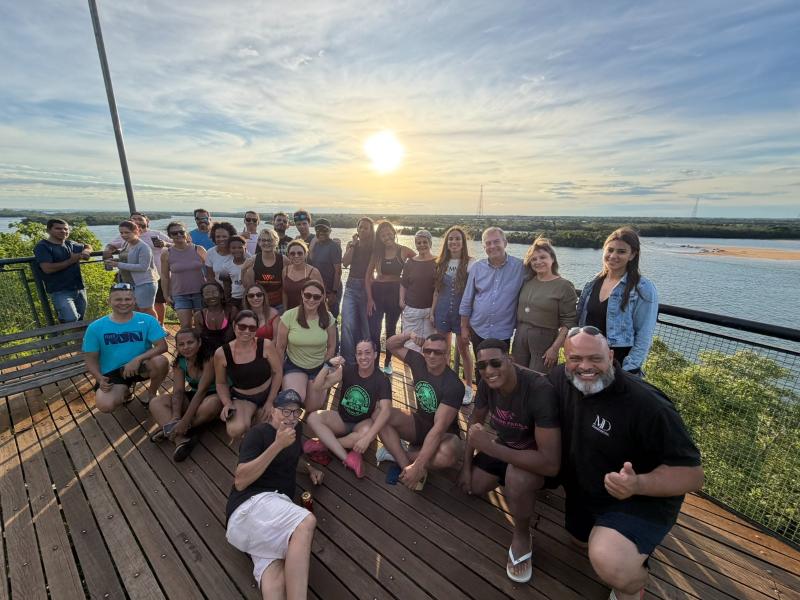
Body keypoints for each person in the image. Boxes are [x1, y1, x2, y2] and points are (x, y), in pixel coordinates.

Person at [549, 327, 703, 600]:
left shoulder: (647, 404)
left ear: (610, 356)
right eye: (576, 358)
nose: (585, 367)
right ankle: (619, 544)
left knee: (611, 561)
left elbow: (693, 475)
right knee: (579, 541)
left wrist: (638, 483)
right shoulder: (562, 378)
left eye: (595, 358)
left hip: (641, 498)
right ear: (566, 357)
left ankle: (633, 586)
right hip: (590, 491)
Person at [459, 339, 561, 583]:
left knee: (516, 477)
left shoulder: (538, 390)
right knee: (474, 486)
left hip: (537, 459)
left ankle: (523, 535)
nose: (489, 371)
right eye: (482, 366)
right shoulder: (487, 384)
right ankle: (517, 490)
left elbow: (551, 463)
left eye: (496, 363)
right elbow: (475, 421)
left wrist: (489, 448)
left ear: (511, 359)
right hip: (506, 448)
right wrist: (466, 466)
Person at [226, 389, 322, 600]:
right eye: (285, 411)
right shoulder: (258, 433)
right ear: (273, 411)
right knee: (305, 523)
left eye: (296, 413)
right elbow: (240, 481)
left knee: (276, 576)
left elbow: (293, 459)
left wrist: (310, 469)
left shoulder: (297, 431)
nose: (291, 418)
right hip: (251, 504)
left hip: (255, 527)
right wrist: (277, 444)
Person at [378, 332, 464, 490]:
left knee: (449, 454)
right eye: (427, 350)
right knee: (380, 415)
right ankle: (405, 465)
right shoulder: (418, 360)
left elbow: (438, 429)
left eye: (438, 352)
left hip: (445, 434)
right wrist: (409, 335)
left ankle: (394, 454)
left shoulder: (454, 385)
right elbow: (391, 345)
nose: (431, 355)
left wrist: (418, 465)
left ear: (447, 355)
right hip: (420, 423)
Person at [576, 227, 658, 374]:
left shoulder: (642, 288)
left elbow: (644, 334)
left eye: (621, 251)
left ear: (632, 255)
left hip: (617, 362)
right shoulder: (593, 283)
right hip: (586, 358)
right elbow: (581, 320)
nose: (613, 256)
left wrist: (629, 369)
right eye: (610, 250)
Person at [305, 341, 392, 478]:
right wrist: (327, 365)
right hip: (341, 419)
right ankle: (347, 457)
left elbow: (386, 410)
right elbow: (317, 386)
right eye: (359, 353)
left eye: (368, 353)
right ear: (356, 356)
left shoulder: (382, 379)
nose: (363, 357)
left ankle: (324, 444)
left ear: (375, 355)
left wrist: (368, 438)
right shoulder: (347, 370)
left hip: (362, 423)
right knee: (312, 418)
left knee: (365, 434)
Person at [82, 283, 169, 412]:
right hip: (113, 371)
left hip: (141, 366)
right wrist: (99, 378)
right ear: (109, 301)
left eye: (127, 299)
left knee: (161, 361)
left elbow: (162, 346)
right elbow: (90, 359)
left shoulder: (147, 320)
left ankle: (152, 393)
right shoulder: (96, 327)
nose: (123, 303)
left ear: (134, 301)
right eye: (118, 299)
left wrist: (137, 359)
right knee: (105, 405)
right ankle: (125, 391)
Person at [460, 227, 524, 383]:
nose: (492, 246)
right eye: (488, 243)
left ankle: (497, 403)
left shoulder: (521, 267)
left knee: (500, 368)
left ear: (505, 243)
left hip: (503, 330)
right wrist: (464, 327)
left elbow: (543, 276)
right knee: (481, 367)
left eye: (496, 241)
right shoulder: (477, 267)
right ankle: (481, 400)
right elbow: (468, 298)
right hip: (478, 328)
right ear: (484, 247)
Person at [148, 328, 222, 461]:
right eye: (181, 344)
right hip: (194, 398)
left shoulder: (209, 358)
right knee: (155, 402)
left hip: (214, 396)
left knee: (212, 404)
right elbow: (178, 391)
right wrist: (176, 416)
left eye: (190, 342)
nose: (186, 347)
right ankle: (180, 439)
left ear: (199, 342)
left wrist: (185, 421)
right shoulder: (180, 362)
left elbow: (202, 391)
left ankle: (175, 430)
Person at [512, 237, 577, 374]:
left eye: (543, 257)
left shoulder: (564, 286)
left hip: (544, 339)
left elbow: (569, 322)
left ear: (552, 259)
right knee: (517, 375)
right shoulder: (527, 281)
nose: (538, 262)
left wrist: (555, 348)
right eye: (534, 259)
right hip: (520, 335)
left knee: (539, 380)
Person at [215, 310, 283, 439]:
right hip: (243, 398)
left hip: (268, 392)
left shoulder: (265, 345)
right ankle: (253, 415)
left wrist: (270, 401)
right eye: (242, 326)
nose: (247, 331)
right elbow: (220, 382)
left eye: (252, 328)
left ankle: (257, 416)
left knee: (275, 427)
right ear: (234, 325)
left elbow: (277, 372)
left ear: (257, 329)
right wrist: (227, 403)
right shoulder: (222, 353)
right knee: (235, 430)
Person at [274, 280, 337, 413]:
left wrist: (325, 367)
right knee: (295, 400)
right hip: (295, 365)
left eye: (316, 297)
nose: (311, 299)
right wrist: (278, 372)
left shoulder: (328, 317)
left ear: (322, 298)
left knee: (311, 407)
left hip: (319, 366)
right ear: (302, 294)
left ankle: (311, 387)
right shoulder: (289, 316)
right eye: (308, 295)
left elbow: (332, 346)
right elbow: (280, 347)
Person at [430, 225, 476, 403]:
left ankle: (468, 387)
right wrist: (432, 312)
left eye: (457, 238)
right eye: (451, 239)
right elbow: (436, 291)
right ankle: (446, 383)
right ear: (446, 243)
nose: (454, 242)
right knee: (443, 350)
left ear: (463, 242)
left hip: (461, 314)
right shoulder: (440, 262)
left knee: (464, 349)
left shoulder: (471, 263)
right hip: (442, 311)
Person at [104, 212, 171, 324]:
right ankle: (141, 329)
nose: (124, 235)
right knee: (136, 309)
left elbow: (143, 267)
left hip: (146, 281)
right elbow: (122, 254)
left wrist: (118, 265)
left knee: (147, 309)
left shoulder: (143, 246)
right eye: (122, 233)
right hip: (132, 281)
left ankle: (156, 329)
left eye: (127, 232)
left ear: (136, 231)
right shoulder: (126, 243)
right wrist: (113, 257)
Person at [366, 221, 415, 375]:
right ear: (379, 237)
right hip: (377, 293)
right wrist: (369, 299)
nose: (386, 237)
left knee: (391, 330)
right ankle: (374, 363)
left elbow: (420, 261)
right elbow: (368, 277)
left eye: (388, 233)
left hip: (395, 294)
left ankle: (388, 361)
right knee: (374, 330)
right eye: (382, 235)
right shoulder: (377, 253)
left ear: (394, 233)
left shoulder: (404, 251)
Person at [33, 218, 92, 323]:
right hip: (59, 291)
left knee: (80, 320)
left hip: (79, 288)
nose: (63, 231)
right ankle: (64, 332)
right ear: (48, 230)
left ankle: (77, 339)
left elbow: (87, 245)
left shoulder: (70, 244)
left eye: (66, 229)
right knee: (71, 319)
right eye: (58, 228)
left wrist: (86, 251)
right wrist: (71, 260)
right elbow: (47, 269)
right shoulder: (42, 247)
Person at [340, 217, 375, 365]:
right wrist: (353, 245)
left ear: (371, 230)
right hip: (351, 287)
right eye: (360, 227)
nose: (362, 230)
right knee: (347, 324)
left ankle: (366, 361)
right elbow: (345, 262)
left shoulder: (374, 247)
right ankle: (348, 363)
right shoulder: (352, 244)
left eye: (366, 228)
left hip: (368, 288)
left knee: (365, 327)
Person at [161, 221, 207, 328]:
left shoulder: (198, 249)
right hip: (180, 294)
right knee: (185, 326)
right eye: (174, 233)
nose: (179, 235)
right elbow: (164, 276)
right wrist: (166, 295)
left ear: (186, 233)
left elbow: (210, 270)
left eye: (181, 232)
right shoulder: (166, 254)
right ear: (169, 236)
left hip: (200, 293)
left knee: (201, 325)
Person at [400, 230, 437, 352]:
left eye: (425, 242)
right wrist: (401, 301)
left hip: (430, 312)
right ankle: (411, 371)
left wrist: (433, 310)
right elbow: (404, 284)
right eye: (418, 242)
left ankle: (426, 371)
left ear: (430, 243)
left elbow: (438, 289)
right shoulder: (410, 263)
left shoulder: (438, 262)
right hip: (412, 310)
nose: (422, 245)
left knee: (429, 345)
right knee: (410, 345)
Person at [242, 228, 284, 313]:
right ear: (259, 242)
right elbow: (248, 286)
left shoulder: (283, 260)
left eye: (270, 240)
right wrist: (243, 270)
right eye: (263, 240)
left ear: (276, 242)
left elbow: (286, 286)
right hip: (259, 303)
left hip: (279, 304)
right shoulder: (252, 261)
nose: (266, 243)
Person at [308, 218, 342, 319]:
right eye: (318, 230)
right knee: (317, 319)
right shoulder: (315, 245)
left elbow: (338, 271)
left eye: (324, 230)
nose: (321, 232)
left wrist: (334, 292)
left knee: (331, 319)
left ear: (330, 231)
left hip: (331, 290)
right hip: (318, 290)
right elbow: (310, 263)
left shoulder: (334, 246)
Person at [282, 240, 323, 311]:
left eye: (300, 253)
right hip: (290, 312)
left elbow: (322, 294)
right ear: (288, 255)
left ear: (305, 254)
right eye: (292, 253)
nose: (296, 256)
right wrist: (285, 310)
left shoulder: (314, 272)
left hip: (309, 312)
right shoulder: (286, 270)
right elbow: (284, 292)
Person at [195, 281, 236, 353]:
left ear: (221, 295)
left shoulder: (232, 311)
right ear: (203, 298)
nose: (211, 296)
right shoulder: (199, 316)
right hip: (208, 354)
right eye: (207, 293)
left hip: (230, 352)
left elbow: (235, 337)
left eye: (214, 292)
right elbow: (199, 340)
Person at [219, 235, 248, 309]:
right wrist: (228, 301)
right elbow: (226, 286)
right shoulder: (225, 266)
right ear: (229, 249)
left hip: (249, 297)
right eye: (233, 248)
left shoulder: (251, 263)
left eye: (240, 247)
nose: (237, 250)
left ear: (245, 248)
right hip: (235, 299)